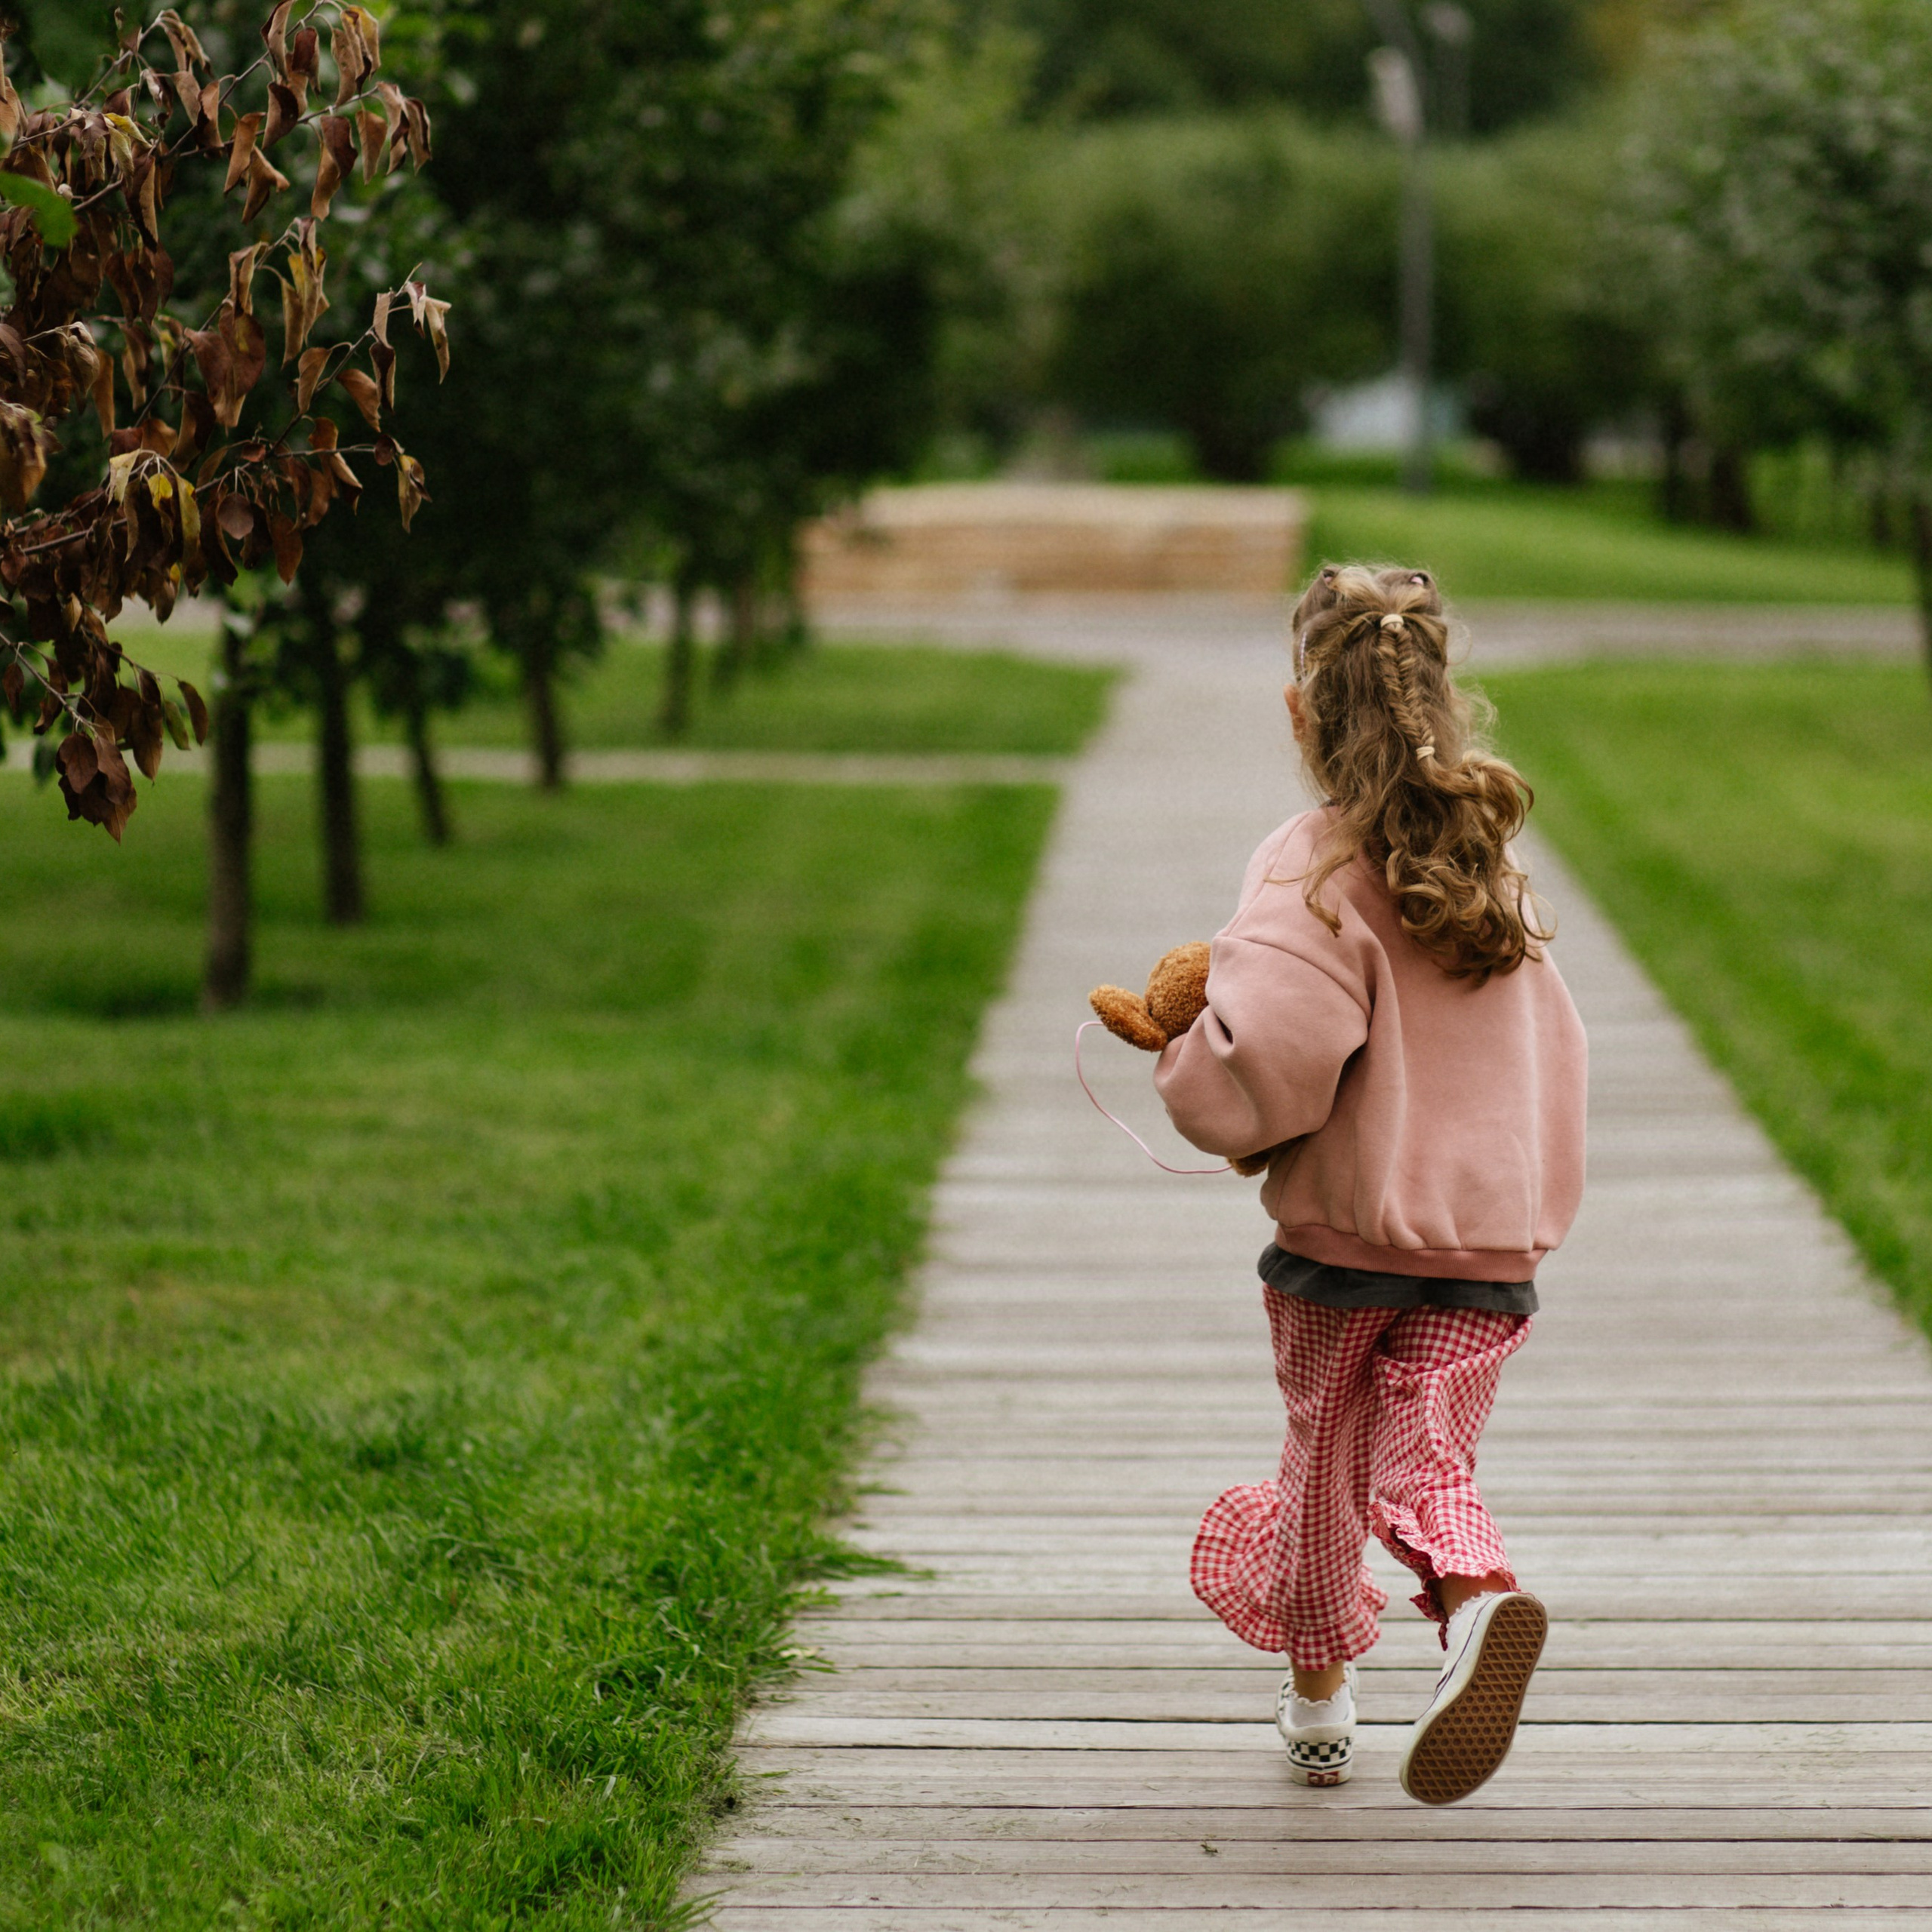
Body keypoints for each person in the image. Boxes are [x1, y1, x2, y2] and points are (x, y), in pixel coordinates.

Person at [1152, 563, 1588, 1806]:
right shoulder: (1485, 853)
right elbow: (1552, 1050)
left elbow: (1270, 1069)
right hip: (1491, 1246)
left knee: (1326, 1462)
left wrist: (1187, 1057)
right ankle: (1474, 1599)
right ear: (1445, 697)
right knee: (1426, 1446)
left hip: (1346, 1246)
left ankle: (1321, 1698)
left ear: (1302, 712)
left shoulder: (1312, 867)